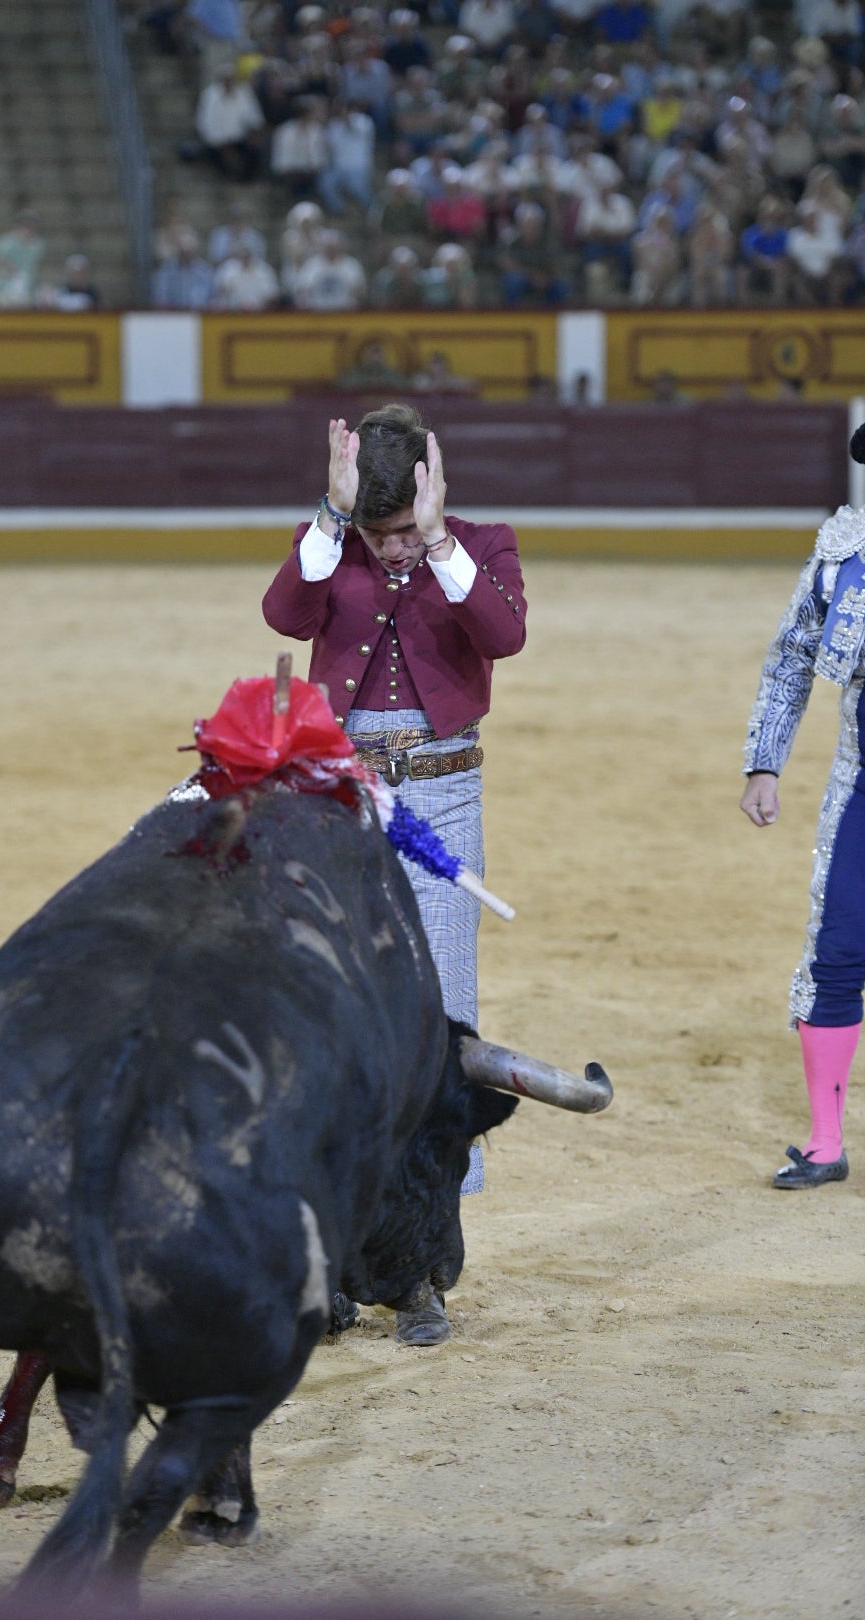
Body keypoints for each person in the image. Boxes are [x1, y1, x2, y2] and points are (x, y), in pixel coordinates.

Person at [262, 403, 527, 1343]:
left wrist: (442, 534)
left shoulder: (480, 543)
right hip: (338, 802)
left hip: (444, 800)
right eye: (381, 535)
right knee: (326, 1021)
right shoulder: (333, 542)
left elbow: (502, 636)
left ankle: (421, 1267)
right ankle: (326, 1263)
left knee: (438, 1028)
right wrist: (335, 522)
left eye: (404, 528)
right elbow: (283, 614)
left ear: (430, 490)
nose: (397, 550)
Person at [739, 423, 865, 1189]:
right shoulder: (842, 555)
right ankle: (825, 1141)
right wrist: (763, 764)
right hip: (863, 784)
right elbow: (790, 660)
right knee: (837, 950)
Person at [0, 212, 45, 310]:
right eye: (26, 225)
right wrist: (10, 270)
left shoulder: (38, 244)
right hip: (4, 290)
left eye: (31, 226)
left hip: (26, 291)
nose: (28, 229)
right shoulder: (6, 242)